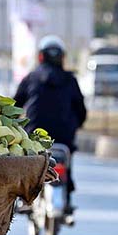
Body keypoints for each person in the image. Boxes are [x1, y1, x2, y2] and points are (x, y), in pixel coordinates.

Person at [13, 35, 87, 213]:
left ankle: (25, 198)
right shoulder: (71, 80)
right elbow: (81, 110)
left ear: (40, 57)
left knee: (28, 162)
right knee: (67, 162)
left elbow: (15, 106)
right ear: (62, 57)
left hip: (34, 135)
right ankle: (66, 200)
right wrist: (76, 125)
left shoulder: (31, 78)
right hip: (64, 137)